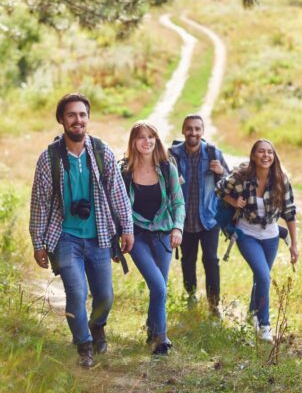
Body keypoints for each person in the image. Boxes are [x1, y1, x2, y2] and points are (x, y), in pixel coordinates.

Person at [29, 93, 134, 367]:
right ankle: (84, 344)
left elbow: (118, 194)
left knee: (105, 296)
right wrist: (38, 243)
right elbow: (39, 203)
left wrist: (127, 228)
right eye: (72, 115)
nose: (78, 120)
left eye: (82, 115)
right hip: (65, 237)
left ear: (88, 118)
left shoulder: (102, 152)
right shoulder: (48, 159)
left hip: (99, 235)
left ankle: (97, 325)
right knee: (76, 292)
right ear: (62, 120)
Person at [215, 139, 298, 342]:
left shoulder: (280, 180)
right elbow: (219, 189)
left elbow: (290, 213)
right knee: (263, 277)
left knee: (259, 278)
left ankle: (252, 314)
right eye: (261, 151)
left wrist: (294, 244)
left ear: (273, 156)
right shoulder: (242, 176)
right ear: (253, 155)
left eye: (269, 152)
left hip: (270, 237)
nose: (266, 155)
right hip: (247, 234)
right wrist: (234, 201)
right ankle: (264, 326)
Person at [120, 120, 185, 355]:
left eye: (151, 137)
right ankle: (162, 340)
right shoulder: (125, 172)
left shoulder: (167, 168)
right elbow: (119, 207)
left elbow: (179, 203)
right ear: (133, 142)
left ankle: (152, 331)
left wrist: (177, 228)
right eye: (140, 137)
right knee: (158, 286)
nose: (146, 141)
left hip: (164, 235)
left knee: (159, 288)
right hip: (137, 236)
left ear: (156, 140)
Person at [169, 114, 229, 316]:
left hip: (209, 219)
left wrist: (221, 172)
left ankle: (214, 304)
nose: (193, 132)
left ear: (202, 132)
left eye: (197, 129)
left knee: (211, 260)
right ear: (183, 130)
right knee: (187, 259)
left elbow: (230, 184)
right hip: (184, 220)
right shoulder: (173, 155)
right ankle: (191, 294)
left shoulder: (213, 153)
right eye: (189, 128)